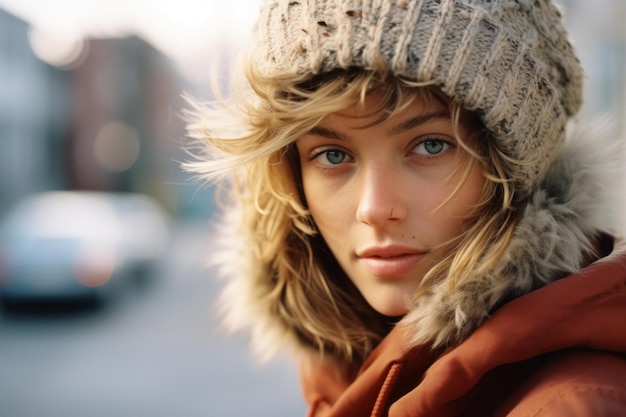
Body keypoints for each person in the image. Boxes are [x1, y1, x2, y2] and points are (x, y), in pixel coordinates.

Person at [185, 0, 626, 415]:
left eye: (430, 145)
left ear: (515, 169)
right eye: (333, 155)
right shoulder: (343, 366)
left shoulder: (574, 404)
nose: (375, 209)